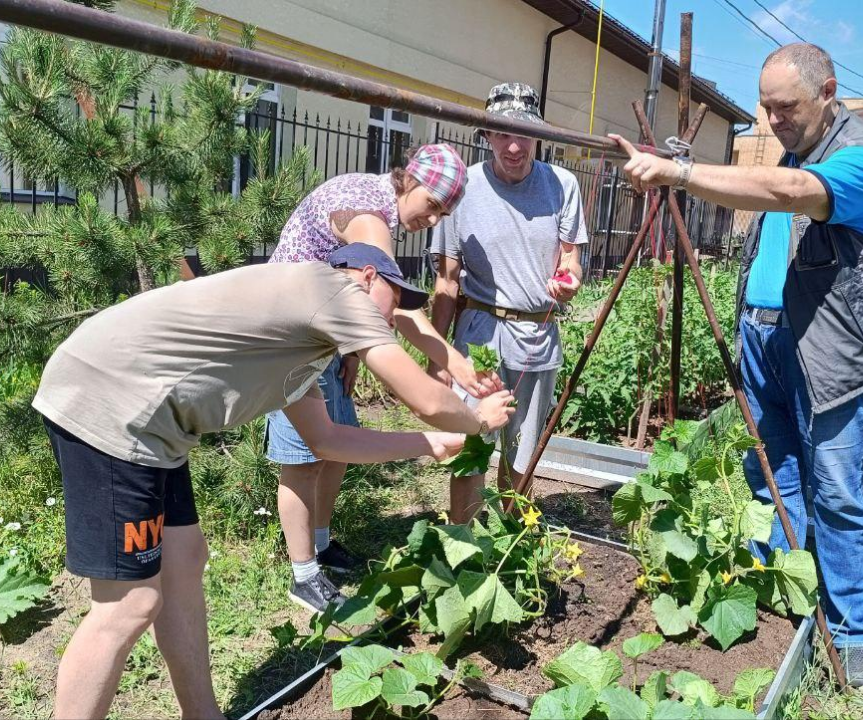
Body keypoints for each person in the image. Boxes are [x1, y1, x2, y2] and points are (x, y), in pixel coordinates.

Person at [32, 243, 515, 719]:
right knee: (129, 604)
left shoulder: (301, 342)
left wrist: (431, 445)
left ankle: (202, 715)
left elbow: (327, 441)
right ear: (367, 276)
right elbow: (424, 398)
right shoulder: (331, 290)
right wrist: (475, 421)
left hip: (154, 423)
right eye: (395, 300)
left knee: (185, 560)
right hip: (112, 405)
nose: (393, 319)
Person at [612, 43, 863, 686]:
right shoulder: (799, 144)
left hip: (829, 350)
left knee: (836, 490)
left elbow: (791, 193)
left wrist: (679, 175)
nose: (772, 121)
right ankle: (783, 597)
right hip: (765, 339)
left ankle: (854, 637)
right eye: (765, 108)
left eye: (786, 107)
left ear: (828, 89)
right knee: (772, 474)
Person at [266, 143, 504, 613]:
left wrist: (459, 367)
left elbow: (396, 310)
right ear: (409, 180)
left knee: (339, 444)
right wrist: (468, 416)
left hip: (325, 336)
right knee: (303, 457)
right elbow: (391, 323)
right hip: (288, 337)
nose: (434, 220)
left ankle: (322, 543)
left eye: (445, 213)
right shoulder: (371, 221)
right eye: (433, 205)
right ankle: (303, 574)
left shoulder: (383, 219)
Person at [431, 82, 588, 523]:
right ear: (486, 134)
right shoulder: (463, 189)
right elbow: (446, 281)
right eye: (502, 133)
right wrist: (438, 354)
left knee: (522, 453)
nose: (514, 146)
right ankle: (463, 542)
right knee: (471, 446)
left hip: (537, 336)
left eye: (523, 133)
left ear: (538, 133)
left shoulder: (563, 185)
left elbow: (571, 262)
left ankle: (511, 542)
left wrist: (568, 281)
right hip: (478, 338)